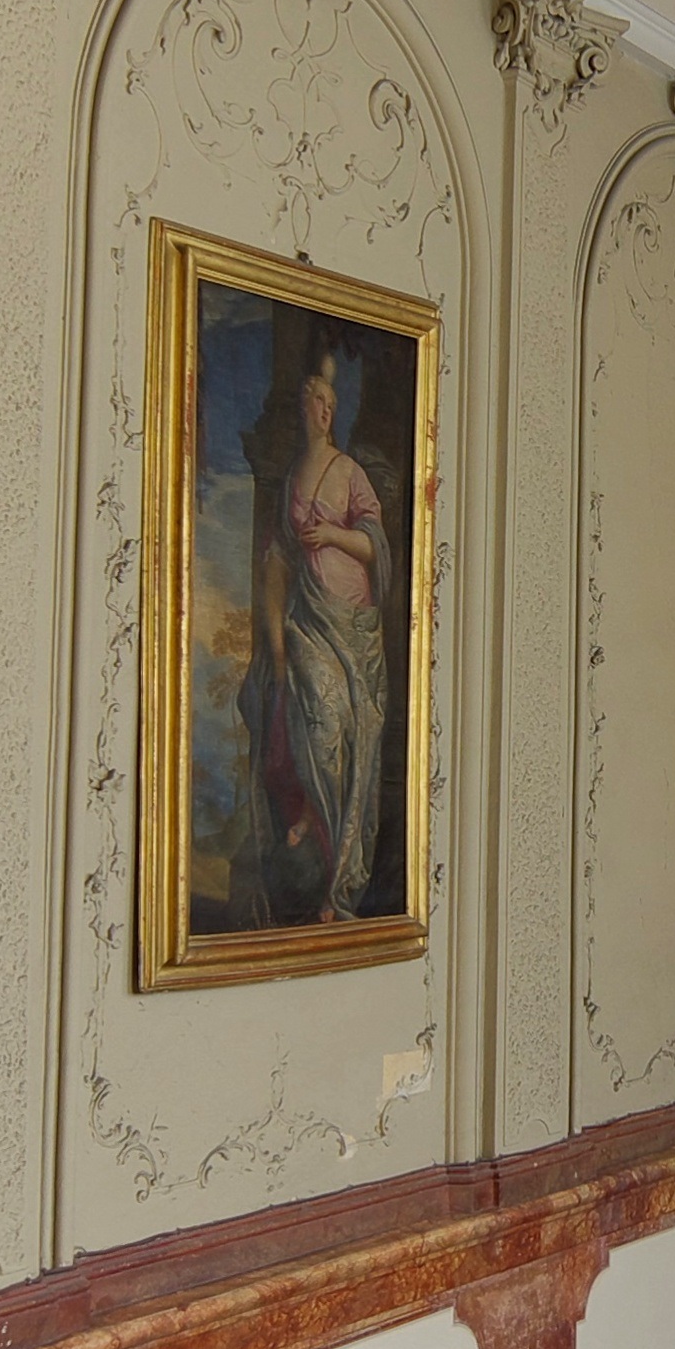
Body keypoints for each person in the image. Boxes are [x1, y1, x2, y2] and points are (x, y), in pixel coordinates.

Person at [230, 336, 393, 924]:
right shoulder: (293, 477)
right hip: (306, 619)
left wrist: (334, 537)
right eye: (307, 402)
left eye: (322, 402)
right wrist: (273, 639)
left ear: (332, 412)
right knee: (309, 719)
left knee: (345, 729)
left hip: (352, 623)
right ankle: (311, 817)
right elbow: (276, 561)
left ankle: (335, 856)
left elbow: (374, 544)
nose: (314, 410)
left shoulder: (347, 471)